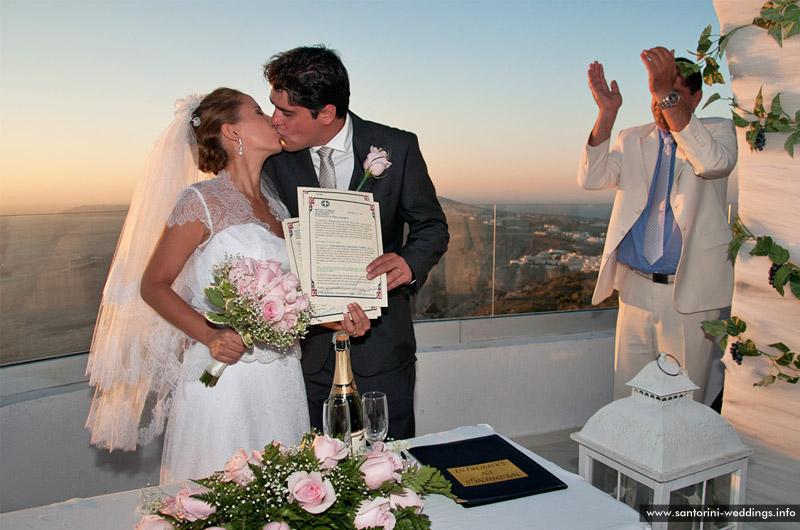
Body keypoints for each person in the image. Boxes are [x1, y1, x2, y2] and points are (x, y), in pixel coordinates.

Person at [85, 88, 369, 484]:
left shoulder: (278, 206)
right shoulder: (200, 200)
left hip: (282, 375)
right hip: (225, 375)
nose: (272, 118)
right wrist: (211, 334)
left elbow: (292, 300)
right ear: (232, 132)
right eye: (257, 111)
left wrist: (338, 320)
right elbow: (154, 284)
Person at [262, 46, 449, 439]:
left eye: (287, 112)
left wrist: (410, 263)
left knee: (391, 465)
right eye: (273, 107)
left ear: (326, 113)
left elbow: (432, 226)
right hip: (307, 352)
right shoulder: (271, 157)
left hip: (383, 348)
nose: (274, 121)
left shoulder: (398, 147)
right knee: (313, 473)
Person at [578, 47, 737, 404]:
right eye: (657, 94)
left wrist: (668, 97)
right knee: (628, 400)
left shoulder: (717, 132)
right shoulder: (633, 138)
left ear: (696, 97)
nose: (661, 104)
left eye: (672, 93)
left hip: (688, 295)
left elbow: (712, 163)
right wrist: (607, 114)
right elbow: (592, 177)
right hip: (634, 289)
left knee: (681, 406)